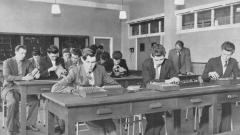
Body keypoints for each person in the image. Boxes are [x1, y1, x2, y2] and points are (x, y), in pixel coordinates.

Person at [51, 48, 118, 135]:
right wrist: (73, 90)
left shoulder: (100, 69)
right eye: (88, 62)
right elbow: (55, 87)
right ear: (83, 59)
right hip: (84, 107)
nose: (91, 65)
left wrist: (105, 88)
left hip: (99, 104)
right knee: (100, 130)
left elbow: (114, 83)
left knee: (112, 129)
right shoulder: (75, 70)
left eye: (93, 62)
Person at [199, 41, 240, 135]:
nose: (226, 57)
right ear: (221, 51)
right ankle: (203, 133)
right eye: (224, 54)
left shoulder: (233, 62)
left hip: (225, 91)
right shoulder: (212, 61)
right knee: (208, 108)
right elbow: (204, 76)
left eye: (229, 55)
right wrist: (209, 74)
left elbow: (238, 76)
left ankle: (224, 132)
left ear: (232, 54)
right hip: (211, 91)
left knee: (227, 108)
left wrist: (235, 78)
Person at [1, 45, 40, 135]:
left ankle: (29, 123)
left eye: (25, 53)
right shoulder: (7, 62)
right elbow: (7, 76)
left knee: (34, 101)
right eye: (21, 53)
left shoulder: (27, 62)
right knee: (12, 102)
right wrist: (23, 78)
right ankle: (11, 129)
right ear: (16, 52)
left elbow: (30, 73)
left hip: (22, 89)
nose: (23, 55)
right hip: (9, 88)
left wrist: (35, 75)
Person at [142, 44, 179, 135]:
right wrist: (167, 81)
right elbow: (148, 81)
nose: (159, 62)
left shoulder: (168, 63)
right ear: (152, 56)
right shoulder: (146, 63)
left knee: (157, 121)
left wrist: (176, 79)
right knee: (156, 121)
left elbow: (174, 75)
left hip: (162, 95)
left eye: (161, 59)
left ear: (164, 56)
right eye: (156, 60)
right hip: (147, 95)